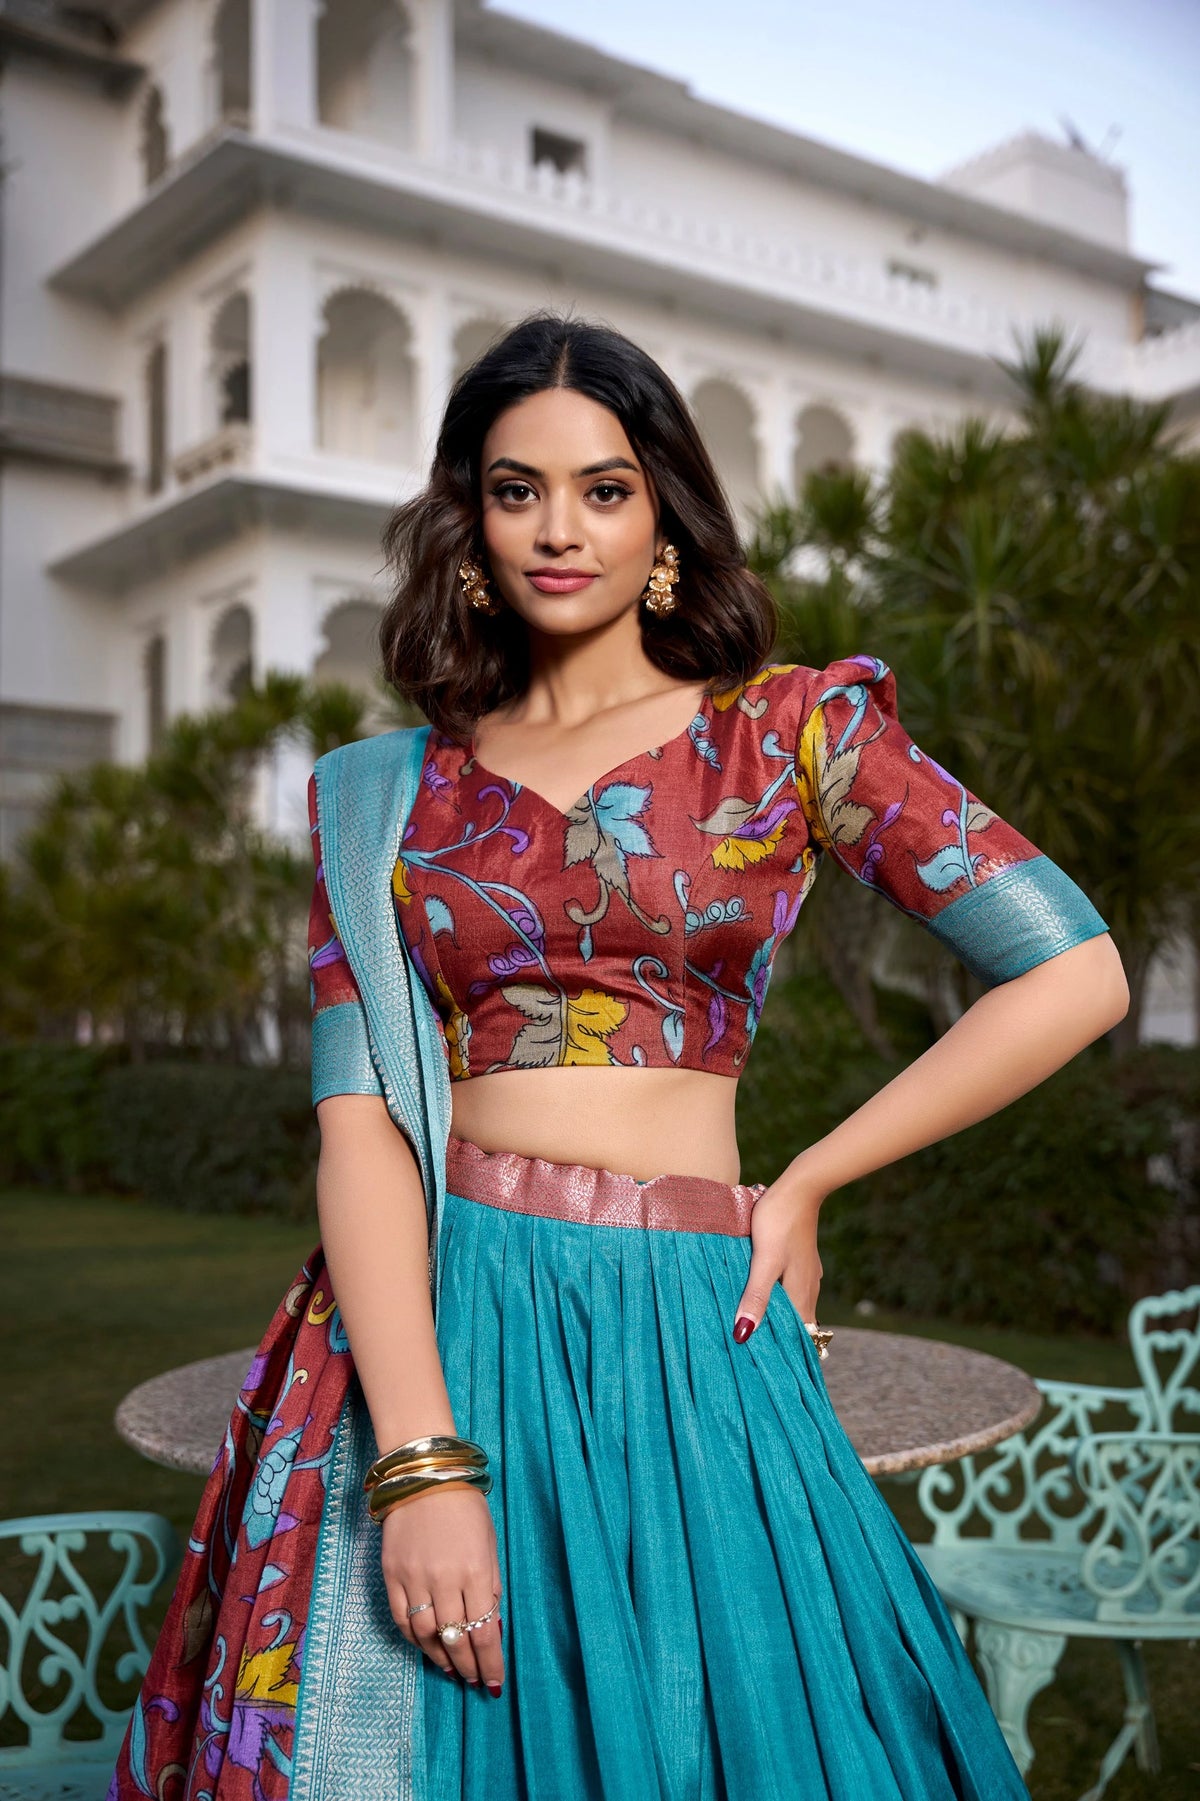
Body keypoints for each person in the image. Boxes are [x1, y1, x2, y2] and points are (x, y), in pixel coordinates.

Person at [109, 313, 1127, 1801]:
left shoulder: (787, 736)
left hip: (689, 1317)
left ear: (663, 514)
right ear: (470, 517)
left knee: (745, 1730)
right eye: (517, 489)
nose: (558, 529)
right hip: (449, 1309)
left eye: (604, 486)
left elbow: (1075, 967)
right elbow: (364, 1130)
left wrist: (810, 1183)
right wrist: (420, 1462)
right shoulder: (388, 796)